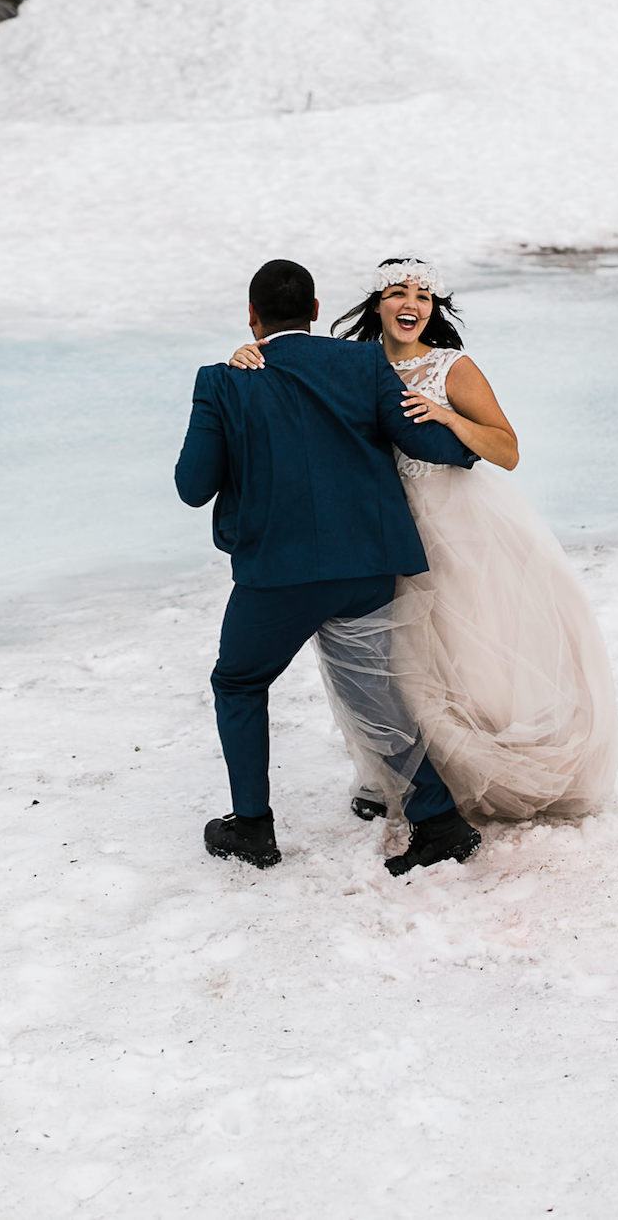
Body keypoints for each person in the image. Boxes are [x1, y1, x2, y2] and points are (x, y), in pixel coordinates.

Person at [232, 257, 618, 821]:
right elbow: (296, 384)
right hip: (380, 531)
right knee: (400, 671)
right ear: (377, 303)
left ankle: (483, 778)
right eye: (397, 293)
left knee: (471, 662)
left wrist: (449, 418)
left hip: (458, 528)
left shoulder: (450, 366)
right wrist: (252, 355)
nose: (410, 304)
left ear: (433, 309)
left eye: (423, 296)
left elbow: (507, 450)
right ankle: (414, 785)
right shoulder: (352, 364)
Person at [174, 258, 484, 875]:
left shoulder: (222, 380)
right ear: (316, 312)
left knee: (238, 683)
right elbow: (422, 440)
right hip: (368, 565)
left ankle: (253, 828)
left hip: (277, 576)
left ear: (253, 318)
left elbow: (192, 486)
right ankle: (439, 817)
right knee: (377, 687)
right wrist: (475, 445)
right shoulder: (364, 363)